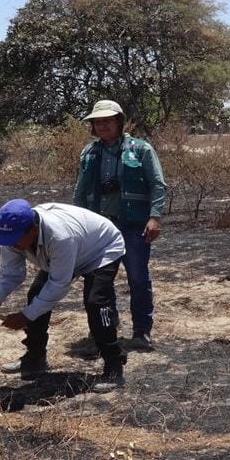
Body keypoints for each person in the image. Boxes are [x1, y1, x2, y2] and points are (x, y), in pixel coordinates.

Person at [0, 199, 128, 392]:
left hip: (101, 248)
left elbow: (59, 284)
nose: (12, 245)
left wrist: (26, 316)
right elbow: (11, 273)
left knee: (96, 301)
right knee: (36, 293)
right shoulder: (12, 235)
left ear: (33, 229)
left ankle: (113, 365)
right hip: (70, 250)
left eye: (17, 239)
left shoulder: (60, 236)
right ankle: (35, 358)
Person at [73, 100, 167, 353]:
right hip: (99, 228)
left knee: (138, 278)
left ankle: (142, 332)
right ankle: (105, 331)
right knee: (99, 282)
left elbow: (157, 185)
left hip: (133, 226)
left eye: (107, 120)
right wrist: (78, 224)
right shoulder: (89, 153)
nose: (102, 125)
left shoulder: (141, 149)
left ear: (119, 122)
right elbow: (80, 191)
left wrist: (154, 217)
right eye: (97, 121)